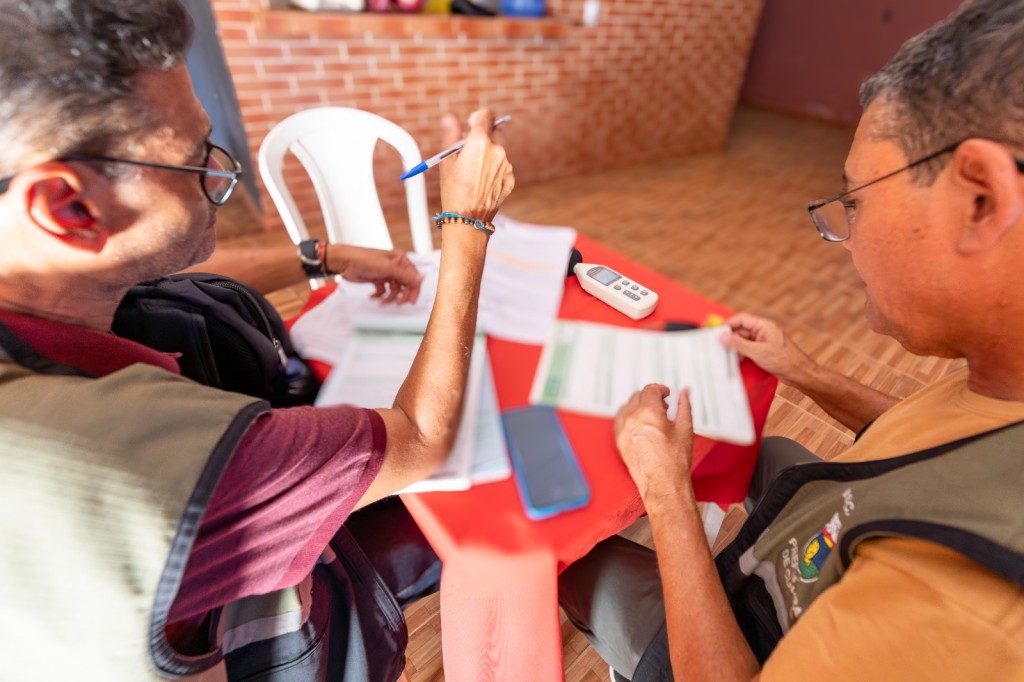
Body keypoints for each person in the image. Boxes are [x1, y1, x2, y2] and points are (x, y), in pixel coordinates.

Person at [0, 1, 513, 680]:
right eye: (196, 160)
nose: (221, 171)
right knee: (488, 513)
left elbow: (145, 269)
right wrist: (467, 221)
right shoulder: (149, 456)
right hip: (293, 642)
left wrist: (324, 255)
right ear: (67, 207)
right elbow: (422, 440)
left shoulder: (34, 279)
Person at [558, 1, 1024, 679]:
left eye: (855, 200)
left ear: (980, 199)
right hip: (827, 535)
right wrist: (799, 368)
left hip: (748, 646)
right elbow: (941, 446)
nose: (845, 236)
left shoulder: (964, 608)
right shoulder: (1003, 375)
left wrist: (666, 495)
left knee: (577, 562)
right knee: (768, 450)